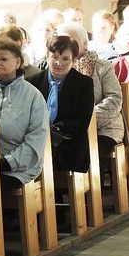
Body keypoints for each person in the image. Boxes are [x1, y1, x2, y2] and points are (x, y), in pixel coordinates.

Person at [0, 37, 49, 190]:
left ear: (18, 62)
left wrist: (7, 162)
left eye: (3, 58)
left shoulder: (33, 96)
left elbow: (36, 138)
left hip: (19, 168)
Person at [57, 22, 124, 169]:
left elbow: (114, 99)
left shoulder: (103, 67)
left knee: (86, 153)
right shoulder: (58, 69)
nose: (66, 45)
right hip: (70, 129)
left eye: (71, 40)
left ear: (85, 43)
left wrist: (86, 119)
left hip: (104, 127)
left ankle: (91, 191)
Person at [26, 35, 94, 173]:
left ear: (74, 60)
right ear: (47, 56)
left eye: (65, 59)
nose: (58, 63)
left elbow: (82, 122)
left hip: (67, 142)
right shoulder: (32, 82)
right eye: (54, 57)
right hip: (37, 140)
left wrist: (55, 130)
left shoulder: (84, 84)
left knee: (55, 156)